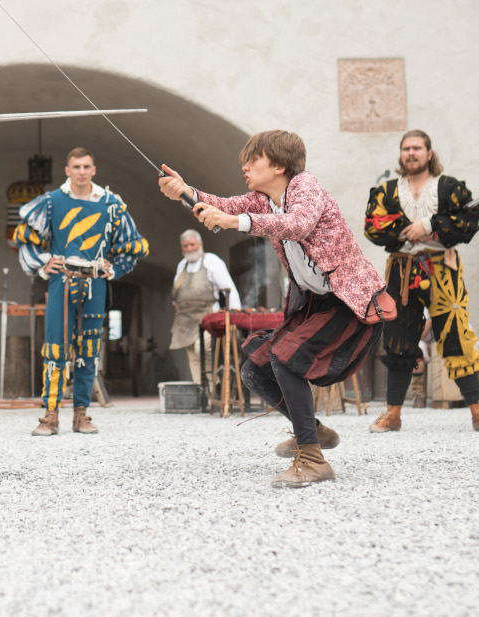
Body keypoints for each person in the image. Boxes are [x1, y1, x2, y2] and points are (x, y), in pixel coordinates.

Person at [159, 131, 393, 488]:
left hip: (347, 302)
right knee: (255, 367)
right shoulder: (264, 198)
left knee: (283, 358)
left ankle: (313, 459)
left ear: (280, 166)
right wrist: (185, 192)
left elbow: (297, 224)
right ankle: (312, 432)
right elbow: (222, 205)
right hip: (314, 304)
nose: (245, 166)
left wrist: (235, 222)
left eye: (254, 160)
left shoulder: (305, 188)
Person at [363, 129, 479, 435]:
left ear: (429, 153)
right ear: (401, 155)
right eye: (406, 148)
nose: (411, 153)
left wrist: (430, 225)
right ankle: (393, 414)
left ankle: (478, 413)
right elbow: (373, 225)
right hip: (402, 269)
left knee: (456, 334)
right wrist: (406, 230)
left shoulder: (449, 188)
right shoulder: (386, 190)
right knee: (398, 337)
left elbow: (468, 220)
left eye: (417, 148)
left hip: (443, 268)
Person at [14, 147, 148, 436]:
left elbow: (132, 242)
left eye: (87, 166)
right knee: (55, 346)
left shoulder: (111, 203)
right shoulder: (51, 201)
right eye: (76, 166)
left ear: (94, 169)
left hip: (95, 281)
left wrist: (115, 268)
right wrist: (42, 263)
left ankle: (81, 414)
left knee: (89, 349)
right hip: (62, 280)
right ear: (67, 170)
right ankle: (50, 416)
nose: (82, 172)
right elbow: (25, 235)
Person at [170, 229, 240, 387]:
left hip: (207, 316)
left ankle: (214, 384)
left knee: (202, 348)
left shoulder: (212, 261)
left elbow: (229, 289)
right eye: (185, 246)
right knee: (192, 356)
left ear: (200, 244)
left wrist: (235, 314)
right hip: (186, 319)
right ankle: (200, 389)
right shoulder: (182, 265)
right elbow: (177, 292)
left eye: (192, 245)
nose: (189, 249)